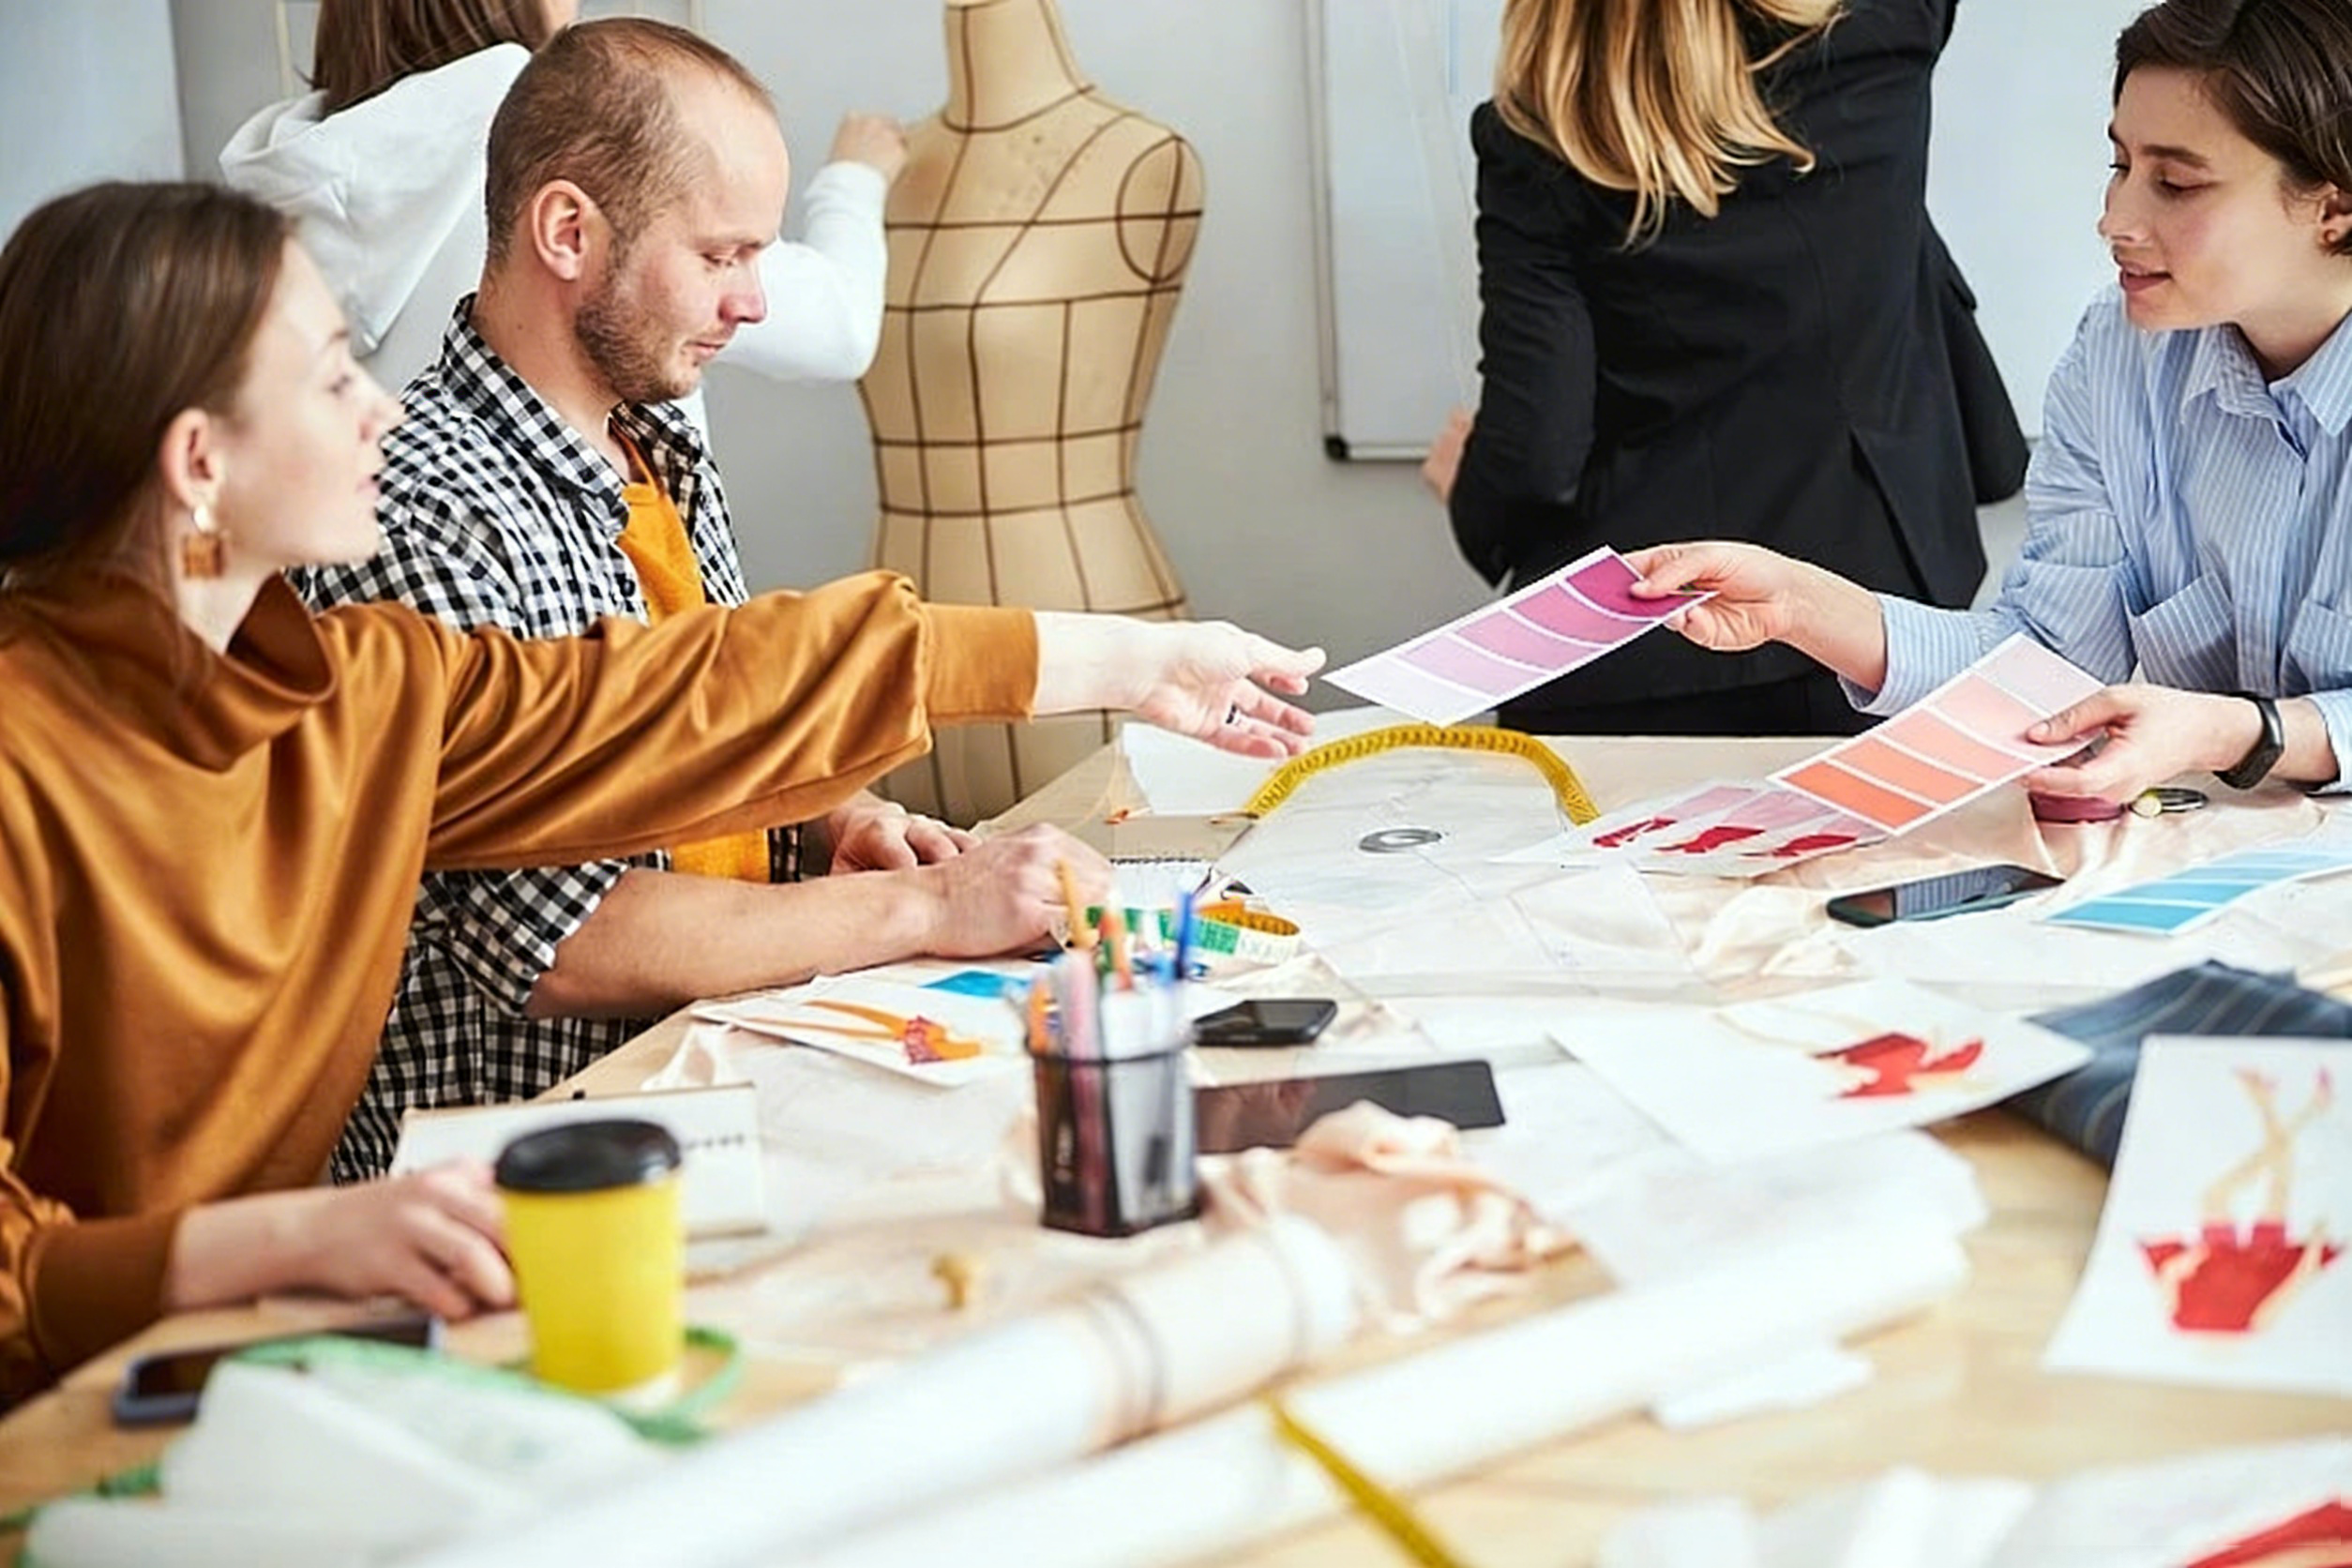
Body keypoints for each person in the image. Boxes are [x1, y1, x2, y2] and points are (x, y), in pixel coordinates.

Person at [0, 179, 1319, 1400]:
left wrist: (1130, 661)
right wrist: (292, 1238)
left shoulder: (358, 690)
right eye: (334, 373)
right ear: (199, 463)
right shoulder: (29, 764)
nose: (379, 411)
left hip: (245, 1347)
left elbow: (685, 697)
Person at [294, 19, 1131, 1184]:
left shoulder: (655, 449)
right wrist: (936, 904)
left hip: (719, 1081)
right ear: (568, 232)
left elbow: (697, 739)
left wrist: (835, 816)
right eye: (721, 255)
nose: (752, 302)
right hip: (529, 1179)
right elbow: (558, 939)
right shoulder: (423, 510)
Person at [1629, 0, 2352, 803]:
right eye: (2120, 166)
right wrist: (1800, 605)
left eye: (2176, 184)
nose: (2114, 220)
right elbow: (2052, 666)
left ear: (2334, 207)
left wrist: (2248, 732)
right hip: (2234, 853)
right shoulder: (2120, 353)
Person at [1423, 0, 2018, 737]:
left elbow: (1537, 448)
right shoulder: (1883, 33)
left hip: (1630, 644)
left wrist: (1471, 489)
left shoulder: (1542, 135)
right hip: (1864, 630)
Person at [861, 0, 1200, 821]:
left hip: (1076, 614)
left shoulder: (1139, 159)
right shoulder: (883, 170)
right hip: (901, 633)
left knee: (1097, 897)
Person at [220, 0, 904, 398]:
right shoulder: (569, 138)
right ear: (566, 231)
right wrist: (854, 178)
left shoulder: (298, 174)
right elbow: (837, 331)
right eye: (721, 256)